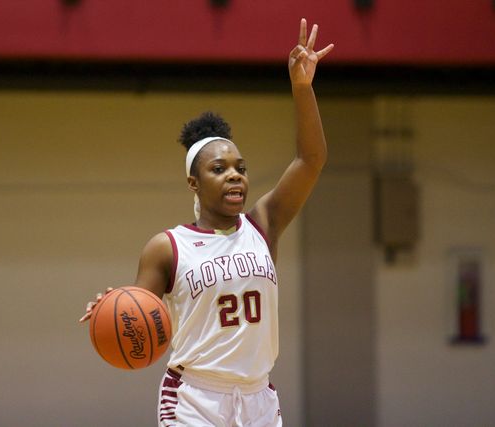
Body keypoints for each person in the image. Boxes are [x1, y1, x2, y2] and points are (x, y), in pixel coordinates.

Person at [80, 18, 333, 427]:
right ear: (194, 183)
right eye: (220, 168)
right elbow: (139, 316)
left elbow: (311, 160)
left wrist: (302, 89)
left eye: (241, 167)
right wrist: (113, 308)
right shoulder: (167, 247)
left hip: (258, 396)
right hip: (195, 398)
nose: (235, 175)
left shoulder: (263, 223)